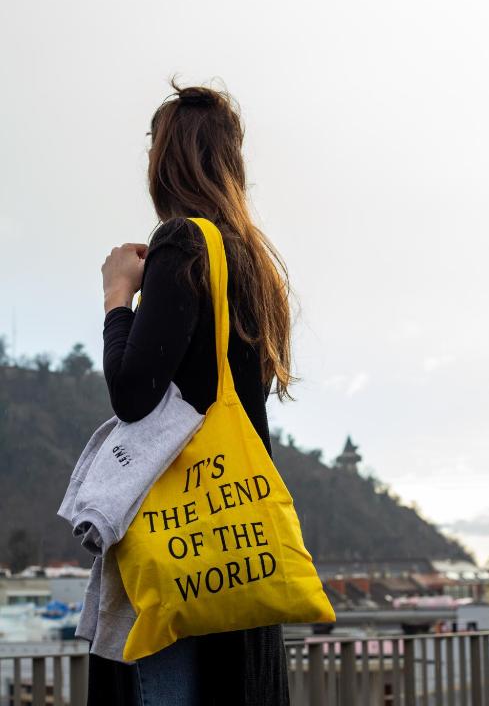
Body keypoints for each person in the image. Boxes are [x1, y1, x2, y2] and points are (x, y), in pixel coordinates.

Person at [93, 76, 297, 705]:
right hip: (237, 530)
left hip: (181, 539)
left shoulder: (182, 243)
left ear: (167, 159)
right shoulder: (253, 262)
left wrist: (117, 295)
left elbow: (133, 393)